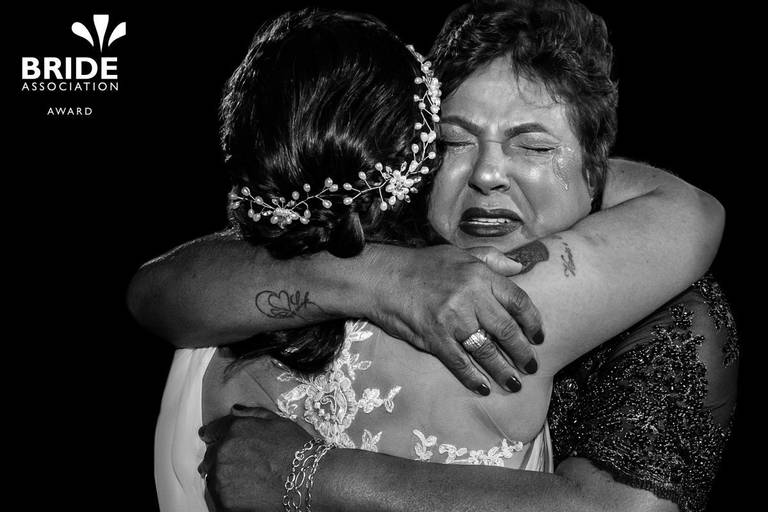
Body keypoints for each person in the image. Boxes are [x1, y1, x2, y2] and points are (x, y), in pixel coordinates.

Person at [129, 1, 737, 511]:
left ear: (597, 170)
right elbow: (153, 291)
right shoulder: (302, 266)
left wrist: (309, 476)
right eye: (454, 141)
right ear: (415, 158)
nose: (488, 174)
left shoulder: (674, 312)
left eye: (533, 146)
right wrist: (383, 278)